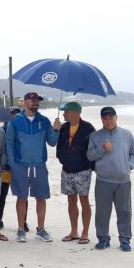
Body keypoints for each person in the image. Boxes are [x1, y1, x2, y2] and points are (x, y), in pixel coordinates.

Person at [5, 92, 60, 243]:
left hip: (39, 165)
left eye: (37, 100)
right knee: (21, 198)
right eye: (32, 100)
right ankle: (21, 229)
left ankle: (40, 230)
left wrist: (56, 130)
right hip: (20, 166)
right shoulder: (14, 121)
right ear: (24, 102)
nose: (35, 102)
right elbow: (9, 142)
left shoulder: (44, 121)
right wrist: (13, 164)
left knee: (41, 198)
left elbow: (52, 142)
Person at [87, 107, 134, 252]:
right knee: (102, 212)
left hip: (123, 180)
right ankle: (103, 239)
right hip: (103, 180)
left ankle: (125, 240)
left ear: (116, 118)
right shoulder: (95, 136)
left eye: (111, 118)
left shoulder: (127, 134)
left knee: (124, 211)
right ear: (101, 119)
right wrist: (102, 149)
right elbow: (90, 156)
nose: (108, 121)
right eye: (105, 118)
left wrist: (128, 165)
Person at [56, 102, 96, 245]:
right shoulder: (63, 127)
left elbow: (93, 149)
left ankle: (85, 233)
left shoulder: (88, 128)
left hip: (83, 170)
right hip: (66, 169)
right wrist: (55, 130)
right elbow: (58, 145)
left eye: (65, 112)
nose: (63, 114)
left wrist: (91, 166)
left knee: (84, 200)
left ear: (74, 113)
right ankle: (74, 231)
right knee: (71, 200)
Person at [0, 106, 28, 232]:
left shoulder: (24, 130)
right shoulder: (1, 132)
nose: (14, 117)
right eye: (11, 114)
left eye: (16, 114)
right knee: (1, 195)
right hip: (5, 169)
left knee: (22, 196)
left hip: (20, 168)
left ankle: (23, 222)